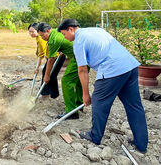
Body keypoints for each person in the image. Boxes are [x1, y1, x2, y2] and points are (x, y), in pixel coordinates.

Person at [57, 19, 148, 153]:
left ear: (71, 29)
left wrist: (85, 94)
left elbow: (82, 70)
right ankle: (141, 144)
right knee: (134, 106)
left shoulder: (78, 41)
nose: (65, 37)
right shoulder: (96, 30)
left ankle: (94, 136)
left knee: (99, 103)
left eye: (64, 34)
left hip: (112, 69)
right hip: (130, 66)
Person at [37, 22, 83, 119]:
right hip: (82, 54)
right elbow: (64, 43)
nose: (42, 38)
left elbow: (51, 60)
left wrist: (46, 76)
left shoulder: (53, 40)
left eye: (42, 35)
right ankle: (79, 105)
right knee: (79, 80)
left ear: (47, 31)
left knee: (66, 81)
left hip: (78, 57)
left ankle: (71, 112)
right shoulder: (56, 32)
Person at [28, 23, 65, 98]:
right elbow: (40, 53)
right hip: (51, 57)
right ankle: (49, 93)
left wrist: (37, 68)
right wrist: (37, 68)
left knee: (49, 75)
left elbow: (42, 55)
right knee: (47, 73)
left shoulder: (41, 39)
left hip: (56, 57)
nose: (31, 33)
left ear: (38, 30)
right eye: (29, 32)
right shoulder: (39, 38)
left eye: (33, 31)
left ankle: (47, 94)